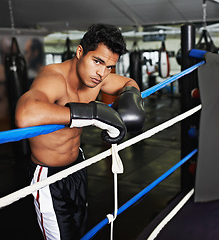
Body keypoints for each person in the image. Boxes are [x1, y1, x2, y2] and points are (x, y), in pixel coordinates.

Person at [15, 24, 145, 240]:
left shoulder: (97, 79)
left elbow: (129, 83)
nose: (102, 73)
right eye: (98, 61)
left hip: (77, 166)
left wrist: (132, 97)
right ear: (80, 52)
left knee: (80, 229)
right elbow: (25, 115)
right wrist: (92, 113)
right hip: (49, 176)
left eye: (110, 67)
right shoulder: (54, 78)